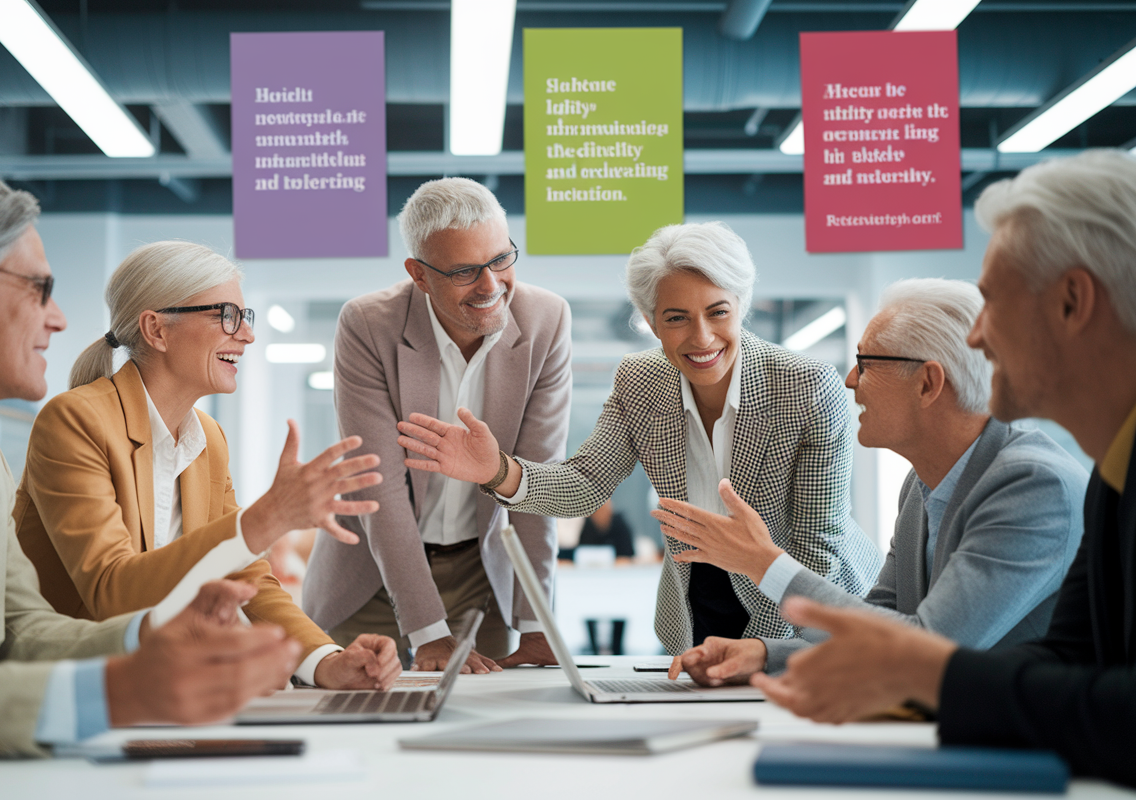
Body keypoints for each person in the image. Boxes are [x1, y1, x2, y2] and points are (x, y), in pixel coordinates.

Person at [0, 176, 303, 785]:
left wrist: (159, 634)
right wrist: (114, 691)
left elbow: (20, 633)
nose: (60, 319)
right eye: (40, 290)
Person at [751, 150, 1136, 788]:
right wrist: (783, 659)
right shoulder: (1109, 480)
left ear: (1072, 302)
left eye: (991, 302)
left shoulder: (1044, 480)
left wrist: (929, 674)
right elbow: (1072, 666)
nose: (977, 338)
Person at [397, 221, 882, 657]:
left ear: (742, 306)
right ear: (651, 323)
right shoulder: (640, 380)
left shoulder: (806, 386)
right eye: (676, 318)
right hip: (696, 609)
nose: (702, 337)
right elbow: (585, 483)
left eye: (718, 312)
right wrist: (497, 471)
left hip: (804, 607)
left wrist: (766, 650)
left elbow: (821, 544)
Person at [658, 278, 1087, 685]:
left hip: (1040, 749)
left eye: (866, 363)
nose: (850, 381)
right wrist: (767, 655)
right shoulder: (923, 487)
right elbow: (879, 618)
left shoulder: (1034, 486)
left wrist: (764, 563)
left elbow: (929, 645)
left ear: (928, 382)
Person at [13, 242, 399, 691]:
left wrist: (325, 660)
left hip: (163, 685)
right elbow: (110, 593)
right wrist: (268, 517)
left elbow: (246, 573)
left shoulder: (207, 438)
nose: (246, 336)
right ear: (156, 329)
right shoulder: (75, 420)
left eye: (244, 316)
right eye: (226, 316)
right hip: (73, 689)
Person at [302, 177, 572, 672]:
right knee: (354, 715)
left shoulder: (545, 321)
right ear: (420, 275)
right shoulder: (368, 324)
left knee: (478, 724)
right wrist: (428, 632)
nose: (492, 286)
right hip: (370, 566)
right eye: (466, 271)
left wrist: (537, 625)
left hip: (479, 569)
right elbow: (381, 488)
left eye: (500, 260)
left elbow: (536, 483)